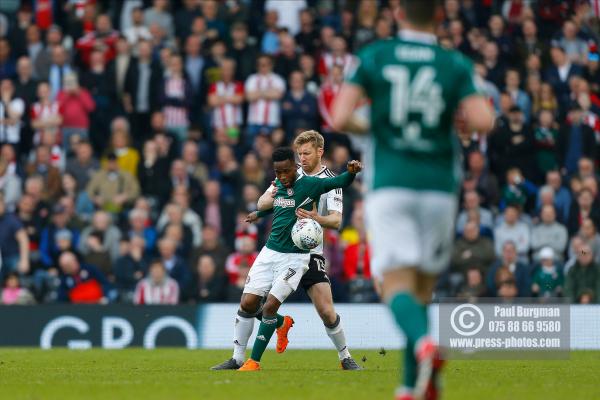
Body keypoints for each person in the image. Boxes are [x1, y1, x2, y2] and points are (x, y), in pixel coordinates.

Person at [331, 1, 495, 399]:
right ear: (440, 16)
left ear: (398, 13)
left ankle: (423, 344)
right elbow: (484, 121)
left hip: (392, 183)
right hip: (439, 187)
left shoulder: (376, 56)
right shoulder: (453, 63)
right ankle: (412, 386)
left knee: (394, 285)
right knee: (422, 290)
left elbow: (339, 117)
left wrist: (377, 124)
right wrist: (450, 120)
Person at [211, 147, 362, 371]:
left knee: (272, 306)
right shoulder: (280, 184)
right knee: (248, 303)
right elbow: (279, 204)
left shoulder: (310, 184)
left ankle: (254, 362)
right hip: (269, 252)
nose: (281, 177)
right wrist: (259, 213)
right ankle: (237, 358)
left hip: (295, 258)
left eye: (285, 172)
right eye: (277, 172)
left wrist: (351, 173)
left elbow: (339, 182)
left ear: (295, 167)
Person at [255, 130, 362, 369]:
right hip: (281, 252)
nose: (301, 158)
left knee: (326, 310)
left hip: (311, 253)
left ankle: (345, 357)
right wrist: (266, 201)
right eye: (299, 153)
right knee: (255, 303)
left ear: (320, 152)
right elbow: (264, 203)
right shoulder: (290, 175)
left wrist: (316, 218)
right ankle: (280, 324)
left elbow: (335, 222)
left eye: (306, 153)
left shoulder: (330, 182)